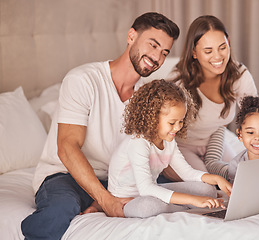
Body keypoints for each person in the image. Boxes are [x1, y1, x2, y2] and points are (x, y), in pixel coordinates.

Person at [21, 12, 180, 240]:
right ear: (131, 36)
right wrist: (106, 201)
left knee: (173, 196)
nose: (157, 57)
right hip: (67, 176)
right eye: (153, 45)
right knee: (60, 210)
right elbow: (67, 147)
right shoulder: (83, 80)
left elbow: (159, 156)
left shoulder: (148, 98)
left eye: (164, 52)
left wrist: (208, 181)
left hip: (121, 177)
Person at [103, 79, 231, 218]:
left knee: (207, 190)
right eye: (172, 122)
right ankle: (185, 207)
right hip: (128, 199)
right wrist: (193, 200)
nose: (177, 127)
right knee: (149, 207)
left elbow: (187, 173)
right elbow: (146, 188)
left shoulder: (169, 141)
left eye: (181, 121)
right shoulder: (138, 143)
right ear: (151, 118)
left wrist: (217, 179)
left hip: (151, 192)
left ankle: (181, 206)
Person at [162, 15, 257, 181]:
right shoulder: (179, 82)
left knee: (244, 177)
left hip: (214, 142)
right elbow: (161, 127)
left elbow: (256, 116)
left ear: (229, 43)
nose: (218, 57)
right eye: (208, 51)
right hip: (182, 146)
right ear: (194, 53)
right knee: (208, 190)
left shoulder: (239, 75)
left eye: (222, 47)